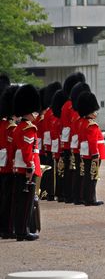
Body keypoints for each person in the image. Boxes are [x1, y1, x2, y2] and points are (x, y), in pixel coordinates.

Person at [11, 84, 41, 241]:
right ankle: (23, 231)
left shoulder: (18, 127)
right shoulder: (28, 128)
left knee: (21, 202)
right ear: (29, 112)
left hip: (20, 169)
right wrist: (30, 168)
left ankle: (20, 230)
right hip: (26, 170)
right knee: (25, 203)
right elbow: (27, 151)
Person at [59, 72, 86, 203]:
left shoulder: (65, 105)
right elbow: (75, 126)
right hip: (75, 143)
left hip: (68, 142)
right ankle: (77, 195)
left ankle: (68, 194)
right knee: (76, 170)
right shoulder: (73, 106)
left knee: (70, 170)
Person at [77, 91, 105, 206]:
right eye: (95, 111)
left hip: (85, 153)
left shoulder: (82, 123)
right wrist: (95, 154)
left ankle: (86, 197)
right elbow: (93, 142)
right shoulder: (91, 124)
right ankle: (90, 199)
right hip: (93, 154)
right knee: (92, 176)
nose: (96, 113)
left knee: (86, 176)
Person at [0, 84, 18, 239]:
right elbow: (11, 150)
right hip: (8, 168)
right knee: (8, 200)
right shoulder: (11, 128)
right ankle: (7, 228)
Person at [70, 82, 91, 204]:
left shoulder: (75, 114)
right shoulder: (78, 116)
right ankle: (82, 196)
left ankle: (77, 196)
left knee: (78, 172)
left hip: (76, 146)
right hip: (81, 147)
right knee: (82, 173)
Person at [40, 82, 61, 201]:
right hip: (53, 146)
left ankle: (48, 192)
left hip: (50, 145)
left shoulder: (48, 113)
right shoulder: (51, 114)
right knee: (52, 171)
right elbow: (49, 132)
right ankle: (50, 192)